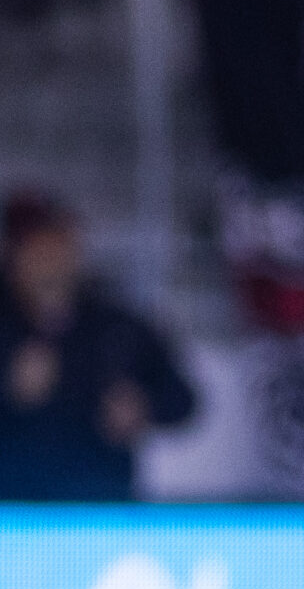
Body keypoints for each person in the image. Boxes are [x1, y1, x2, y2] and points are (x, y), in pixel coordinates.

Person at [0, 192, 196, 500]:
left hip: (101, 514)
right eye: (38, 248)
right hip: (13, 514)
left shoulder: (117, 323)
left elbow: (182, 399)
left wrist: (143, 406)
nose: (51, 259)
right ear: (14, 253)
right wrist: (10, 390)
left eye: (59, 244)